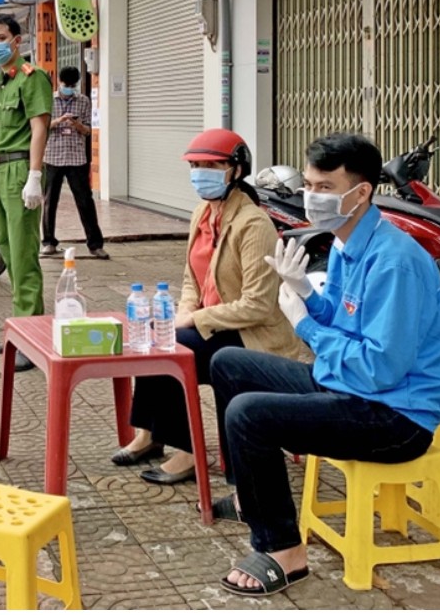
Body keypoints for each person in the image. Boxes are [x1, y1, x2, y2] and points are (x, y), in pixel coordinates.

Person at [208, 132, 440, 597]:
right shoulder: (347, 241)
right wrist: (306, 294)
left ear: (361, 192)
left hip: (395, 416)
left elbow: (380, 367)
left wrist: (305, 326)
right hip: (350, 387)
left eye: (325, 187)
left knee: (250, 415)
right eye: (307, 183)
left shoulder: (394, 262)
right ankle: (252, 496)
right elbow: (344, 324)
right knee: (228, 362)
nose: (311, 196)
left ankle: (284, 551)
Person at [110, 128, 311, 483]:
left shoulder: (254, 224)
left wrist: (194, 319)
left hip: (252, 335)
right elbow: (192, 278)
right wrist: (183, 311)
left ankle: (188, 452)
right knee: (158, 334)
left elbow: (258, 306)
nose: (201, 172)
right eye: (196, 165)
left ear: (235, 170)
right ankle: (151, 435)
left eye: (212, 165)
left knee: (174, 345)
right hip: (216, 325)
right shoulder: (202, 213)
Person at [0, 13, 53, 372]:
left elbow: (40, 128)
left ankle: (33, 338)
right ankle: (19, 332)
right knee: (9, 254)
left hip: (20, 170)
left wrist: (35, 176)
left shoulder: (31, 77)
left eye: (1, 37)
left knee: (24, 256)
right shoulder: (1, 82)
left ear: (17, 41)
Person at [40, 66, 108, 259]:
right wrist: (60, 120)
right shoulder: (48, 100)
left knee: (85, 201)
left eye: (72, 85)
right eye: (65, 85)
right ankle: (48, 242)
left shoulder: (83, 101)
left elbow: (88, 130)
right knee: (49, 202)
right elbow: (42, 127)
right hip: (53, 156)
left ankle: (95, 244)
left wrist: (77, 125)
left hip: (77, 158)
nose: (69, 88)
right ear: (59, 83)